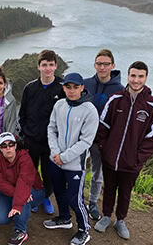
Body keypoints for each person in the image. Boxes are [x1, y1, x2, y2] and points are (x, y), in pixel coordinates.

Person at [94, 61, 153, 240]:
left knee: (125, 192)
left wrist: (136, 159)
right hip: (110, 159)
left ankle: (121, 220)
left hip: (131, 163)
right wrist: (105, 150)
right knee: (108, 188)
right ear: (128, 76)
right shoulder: (115, 99)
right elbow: (102, 127)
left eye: (140, 76)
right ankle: (106, 216)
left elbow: (152, 139)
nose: (136, 80)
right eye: (133, 75)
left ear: (146, 78)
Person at [43, 73, 99, 245]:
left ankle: (84, 230)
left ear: (82, 88)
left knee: (75, 199)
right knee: (59, 191)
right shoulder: (59, 105)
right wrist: (55, 153)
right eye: (68, 87)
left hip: (75, 164)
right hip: (56, 160)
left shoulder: (90, 110)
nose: (72, 91)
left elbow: (86, 141)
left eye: (76, 87)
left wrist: (64, 157)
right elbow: (51, 129)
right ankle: (65, 219)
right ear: (64, 88)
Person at [18, 49, 66, 214]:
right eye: (44, 65)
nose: (47, 68)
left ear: (55, 66)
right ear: (38, 66)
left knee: (49, 174)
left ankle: (45, 198)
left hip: (51, 142)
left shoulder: (62, 88)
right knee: (29, 172)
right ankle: (32, 197)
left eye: (51, 65)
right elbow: (22, 113)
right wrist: (25, 133)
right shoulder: (30, 88)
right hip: (31, 139)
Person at [83, 49, 124, 221]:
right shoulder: (85, 84)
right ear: (94, 65)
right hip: (83, 137)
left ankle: (92, 202)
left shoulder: (120, 91)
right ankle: (77, 200)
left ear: (112, 66)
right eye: (99, 64)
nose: (102, 67)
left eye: (106, 64)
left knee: (98, 174)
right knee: (78, 170)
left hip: (102, 141)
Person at [0, 132, 44, 245]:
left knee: (24, 199)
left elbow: (24, 182)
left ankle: (20, 231)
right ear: (0, 148)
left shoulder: (25, 158)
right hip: (10, 190)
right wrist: (18, 194)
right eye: (4, 146)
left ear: (15, 146)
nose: (8, 148)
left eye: (11, 144)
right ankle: (15, 211)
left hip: (33, 189)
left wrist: (19, 200)